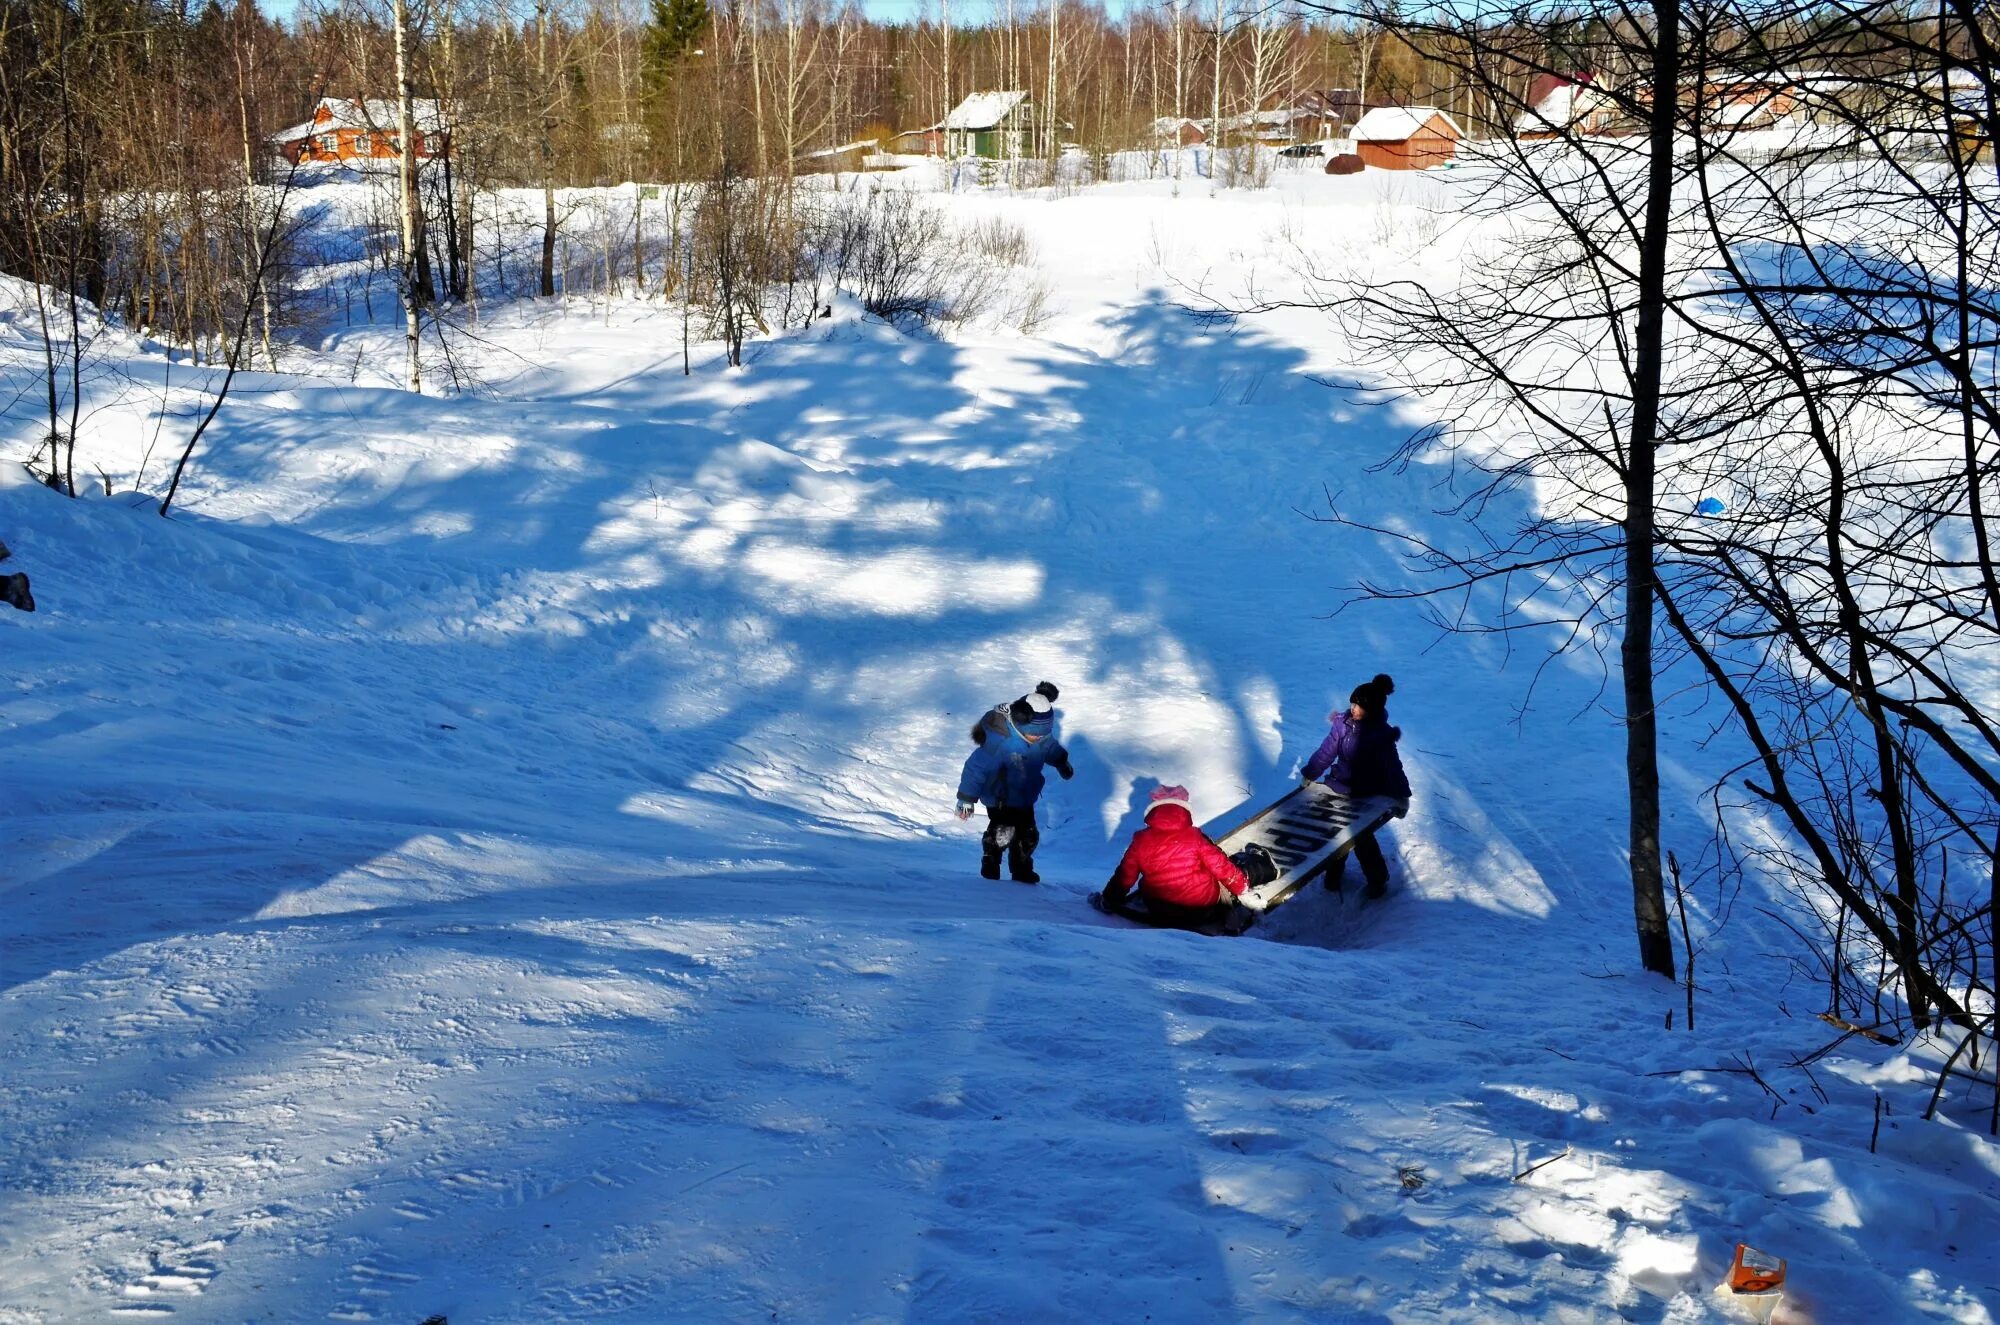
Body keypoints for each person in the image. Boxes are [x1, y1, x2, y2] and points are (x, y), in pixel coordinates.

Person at [1300, 672, 1412, 898]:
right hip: (1339, 786)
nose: (1354, 709)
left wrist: (1402, 796)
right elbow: (1326, 752)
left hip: (1366, 792)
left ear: (1371, 710)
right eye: (1352, 703)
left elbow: (1392, 767)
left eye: (1359, 706)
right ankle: (1332, 880)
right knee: (1335, 835)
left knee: (1361, 839)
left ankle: (1378, 881)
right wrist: (1311, 773)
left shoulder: (1380, 735)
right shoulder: (1342, 725)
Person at [1097, 785, 1266, 931]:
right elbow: (1222, 868)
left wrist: (1109, 899)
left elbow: (1125, 875)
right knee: (1218, 873)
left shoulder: (1141, 840)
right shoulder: (1195, 837)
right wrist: (1242, 890)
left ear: (1154, 811)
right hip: (1201, 909)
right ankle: (1261, 867)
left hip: (1160, 909)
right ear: (1184, 811)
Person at [956, 687, 1073, 882]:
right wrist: (966, 799)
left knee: (1028, 835)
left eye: (1043, 734)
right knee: (1004, 832)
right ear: (1021, 722)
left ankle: (1021, 869)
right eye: (1035, 734)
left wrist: (1061, 761)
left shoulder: (1041, 737)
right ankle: (991, 859)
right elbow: (974, 769)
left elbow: (1050, 747)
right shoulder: (999, 741)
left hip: (1025, 797)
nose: (1039, 738)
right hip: (999, 797)